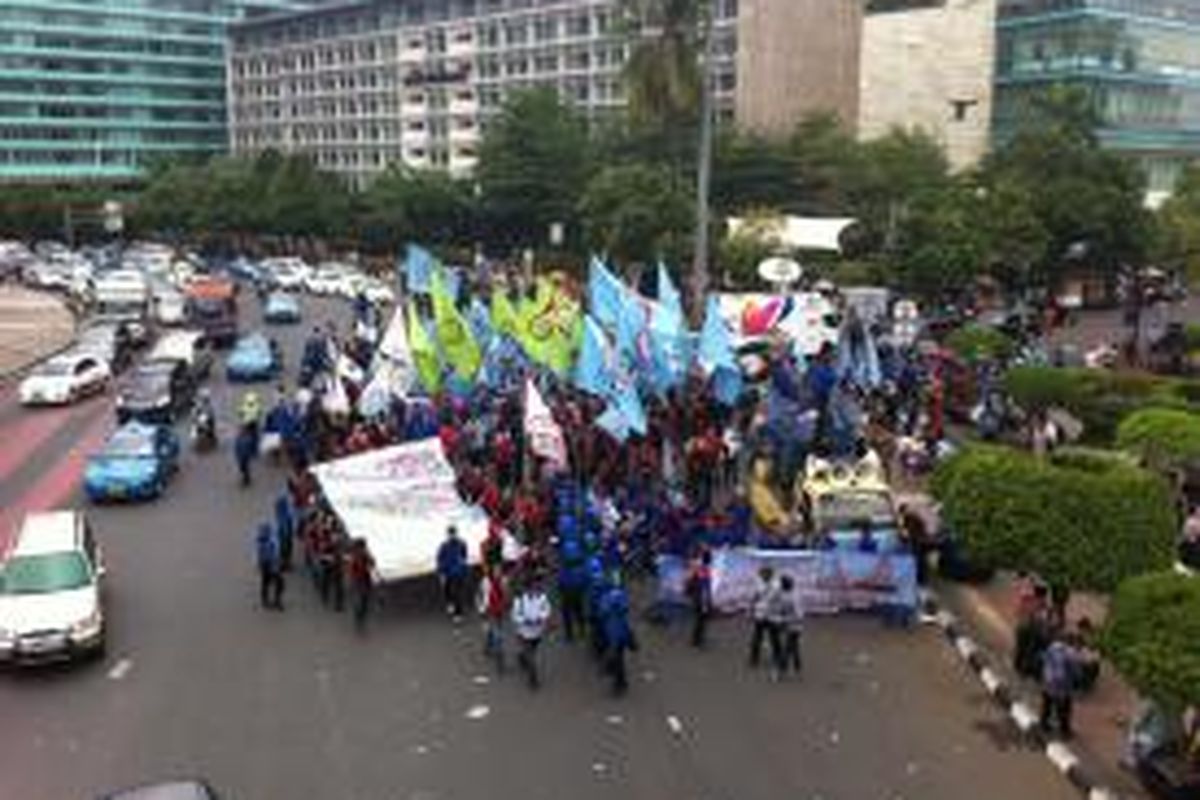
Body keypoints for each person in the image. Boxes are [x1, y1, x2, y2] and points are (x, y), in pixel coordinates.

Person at [511, 578, 552, 690]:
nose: (533, 591)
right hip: (524, 632)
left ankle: (522, 657)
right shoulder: (519, 600)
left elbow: (547, 610)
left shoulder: (541, 598)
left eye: (534, 588)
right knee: (532, 657)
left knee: (533, 651)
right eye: (530, 588)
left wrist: (541, 618)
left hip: (537, 632)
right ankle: (533, 678)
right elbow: (515, 615)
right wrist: (524, 620)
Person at [600, 581, 637, 695]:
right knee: (619, 659)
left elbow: (602, 611)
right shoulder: (622, 604)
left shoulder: (606, 601)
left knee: (617, 660)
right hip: (621, 636)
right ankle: (620, 682)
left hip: (611, 636)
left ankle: (619, 684)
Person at [1040, 633, 1079, 739]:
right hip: (1062, 687)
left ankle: (1043, 725)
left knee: (1047, 705)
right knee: (1064, 709)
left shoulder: (1051, 647)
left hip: (1047, 682)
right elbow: (1074, 670)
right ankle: (1064, 731)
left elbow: (1044, 659)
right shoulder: (1070, 653)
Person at [770, 575, 804, 678]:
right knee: (793, 647)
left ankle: (780, 672)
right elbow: (776, 604)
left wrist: (784, 620)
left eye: (783, 583)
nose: (781, 585)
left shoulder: (794, 597)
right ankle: (797, 666)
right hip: (788, 625)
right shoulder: (783, 594)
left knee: (787, 648)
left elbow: (799, 615)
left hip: (794, 627)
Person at [478, 566, 509, 671]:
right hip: (489, 611)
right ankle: (500, 660)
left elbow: (507, 595)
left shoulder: (504, 581)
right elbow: (481, 595)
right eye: (496, 571)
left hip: (499, 611)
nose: (498, 573)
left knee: (495, 632)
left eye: (499, 571)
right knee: (497, 635)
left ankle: (489, 646)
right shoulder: (485, 582)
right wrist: (481, 609)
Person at [436, 526, 469, 620]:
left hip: (458, 572)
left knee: (457, 593)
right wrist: (441, 572)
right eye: (450, 534)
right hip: (447, 572)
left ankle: (458, 613)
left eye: (453, 533)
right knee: (447, 591)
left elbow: (464, 556)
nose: (452, 535)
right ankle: (450, 604)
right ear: (448, 535)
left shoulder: (462, 544)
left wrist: (463, 567)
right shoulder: (444, 546)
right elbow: (440, 559)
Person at [747, 566, 776, 667]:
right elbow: (753, 599)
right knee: (768, 636)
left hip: (762, 613)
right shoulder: (775, 585)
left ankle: (754, 659)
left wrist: (750, 611)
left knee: (758, 636)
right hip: (768, 613)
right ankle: (774, 658)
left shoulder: (759, 585)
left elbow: (753, 599)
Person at [686, 548, 714, 649]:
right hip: (701, 597)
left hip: (698, 597)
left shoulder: (698, 567)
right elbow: (705, 585)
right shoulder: (703, 569)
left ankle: (697, 639)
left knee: (700, 619)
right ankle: (697, 640)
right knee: (701, 619)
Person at [347, 538, 376, 631]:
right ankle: (358, 616)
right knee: (360, 598)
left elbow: (372, 563)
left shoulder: (365, 554)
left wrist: (370, 562)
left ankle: (361, 614)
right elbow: (351, 571)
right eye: (362, 547)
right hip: (358, 581)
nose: (363, 549)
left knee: (365, 599)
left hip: (365, 579)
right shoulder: (354, 557)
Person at [255, 523, 285, 610]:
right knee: (279, 583)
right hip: (271, 565)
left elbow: (259, 555)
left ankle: (266, 601)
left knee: (266, 582)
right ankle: (276, 601)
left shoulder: (261, 541)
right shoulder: (269, 542)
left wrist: (259, 564)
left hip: (266, 564)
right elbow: (274, 554)